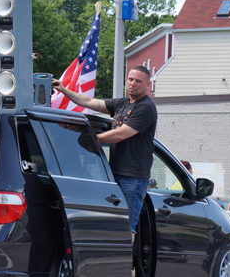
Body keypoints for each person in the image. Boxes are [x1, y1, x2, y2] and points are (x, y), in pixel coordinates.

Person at [53, 65, 156, 276]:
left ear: (148, 85)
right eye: (131, 79)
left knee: (127, 226)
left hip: (133, 177)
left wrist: (91, 140)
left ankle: (125, 269)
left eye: (138, 81)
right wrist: (63, 89)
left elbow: (121, 134)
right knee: (112, 224)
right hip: (112, 175)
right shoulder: (122, 103)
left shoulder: (146, 108)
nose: (133, 84)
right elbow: (89, 102)